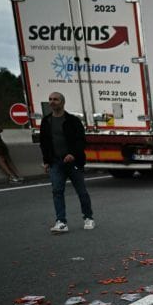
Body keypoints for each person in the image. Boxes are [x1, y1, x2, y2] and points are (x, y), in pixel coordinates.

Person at [39, 92, 94, 234]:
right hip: (55, 162)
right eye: (50, 99)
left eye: (55, 99)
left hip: (73, 162)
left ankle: (88, 217)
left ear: (62, 102)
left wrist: (72, 154)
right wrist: (46, 161)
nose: (52, 102)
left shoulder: (72, 121)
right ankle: (61, 222)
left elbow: (81, 141)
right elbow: (44, 143)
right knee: (57, 191)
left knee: (81, 191)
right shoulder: (46, 121)